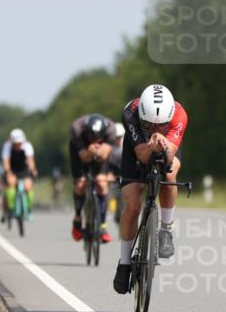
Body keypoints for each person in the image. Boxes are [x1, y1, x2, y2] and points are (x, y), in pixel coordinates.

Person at [113, 84, 189, 294]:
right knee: (133, 203)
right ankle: (124, 263)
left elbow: (169, 159)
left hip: (168, 145)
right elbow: (142, 155)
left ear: (169, 118)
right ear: (141, 115)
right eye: (148, 124)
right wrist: (150, 145)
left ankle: (166, 229)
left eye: (161, 125)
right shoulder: (130, 113)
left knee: (169, 175)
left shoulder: (179, 115)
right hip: (137, 148)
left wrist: (164, 146)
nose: (155, 129)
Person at [68, 113, 117, 243]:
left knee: (102, 183)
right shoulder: (77, 128)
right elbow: (84, 157)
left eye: (98, 138)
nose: (95, 141)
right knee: (81, 184)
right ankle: (78, 218)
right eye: (92, 138)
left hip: (101, 151)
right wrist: (89, 152)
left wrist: (99, 151)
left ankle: (103, 225)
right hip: (80, 151)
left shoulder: (111, 129)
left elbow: (105, 153)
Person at [1, 128, 37, 222]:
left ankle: (29, 209)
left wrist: (33, 170)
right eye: (16, 144)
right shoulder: (7, 146)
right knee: (10, 183)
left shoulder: (27, 146)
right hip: (12, 169)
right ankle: (11, 208)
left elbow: (30, 160)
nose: (18, 146)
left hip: (23, 169)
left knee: (28, 186)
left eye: (19, 144)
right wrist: (8, 172)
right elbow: (6, 161)